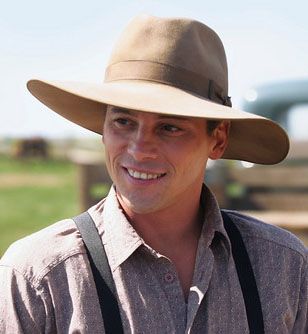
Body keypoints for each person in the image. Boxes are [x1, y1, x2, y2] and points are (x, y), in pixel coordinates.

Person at [0, 14, 307, 334]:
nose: (139, 148)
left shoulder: (283, 267)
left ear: (217, 140)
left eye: (169, 127)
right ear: (103, 129)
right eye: (123, 122)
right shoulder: (39, 280)